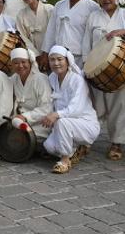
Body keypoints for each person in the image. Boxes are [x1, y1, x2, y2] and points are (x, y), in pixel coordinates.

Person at [80, 0, 125, 161]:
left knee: (121, 106)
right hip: (98, 71)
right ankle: (86, 139)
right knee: (95, 106)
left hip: (123, 69)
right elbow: (86, 42)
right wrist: (87, 66)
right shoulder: (93, 17)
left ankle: (117, 143)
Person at [41, 46, 100, 174]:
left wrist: (56, 115)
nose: (56, 63)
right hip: (64, 124)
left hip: (85, 124)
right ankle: (77, 148)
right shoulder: (51, 78)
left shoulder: (77, 80)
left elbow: (76, 109)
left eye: (59, 59)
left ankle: (65, 160)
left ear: (67, 60)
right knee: (49, 147)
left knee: (62, 123)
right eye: (52, 60)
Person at [41, 0, 100, 69]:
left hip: (81, 57)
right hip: (59, 56)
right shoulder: (59, 5)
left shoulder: (93, 7)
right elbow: (51, 30)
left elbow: (94, 36)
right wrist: (45, 52)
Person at [9, 48, 53, 140]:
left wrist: (25, 117)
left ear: (30, 63)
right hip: (18, 121)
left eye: (23, 62)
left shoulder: (41, 79)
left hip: (39, 124)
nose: (20, 66)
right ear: (12, 65)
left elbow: (46, 108)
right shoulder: (13, 79)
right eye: (16, 63)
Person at [15, 0, 54, 71]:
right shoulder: (21, 14)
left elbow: (54, 32)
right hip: (33, 56)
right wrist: (36, 56)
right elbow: (22, 37)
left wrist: (46, 53)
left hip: (52, 52)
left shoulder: (49, 9)